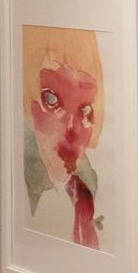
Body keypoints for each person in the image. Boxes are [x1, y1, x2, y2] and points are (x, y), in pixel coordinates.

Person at [21, 25, 105, 248]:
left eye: (85, 110)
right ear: (29, 99)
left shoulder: (87, 189)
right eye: (51, 100)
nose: (71, 129)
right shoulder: (20, 178)